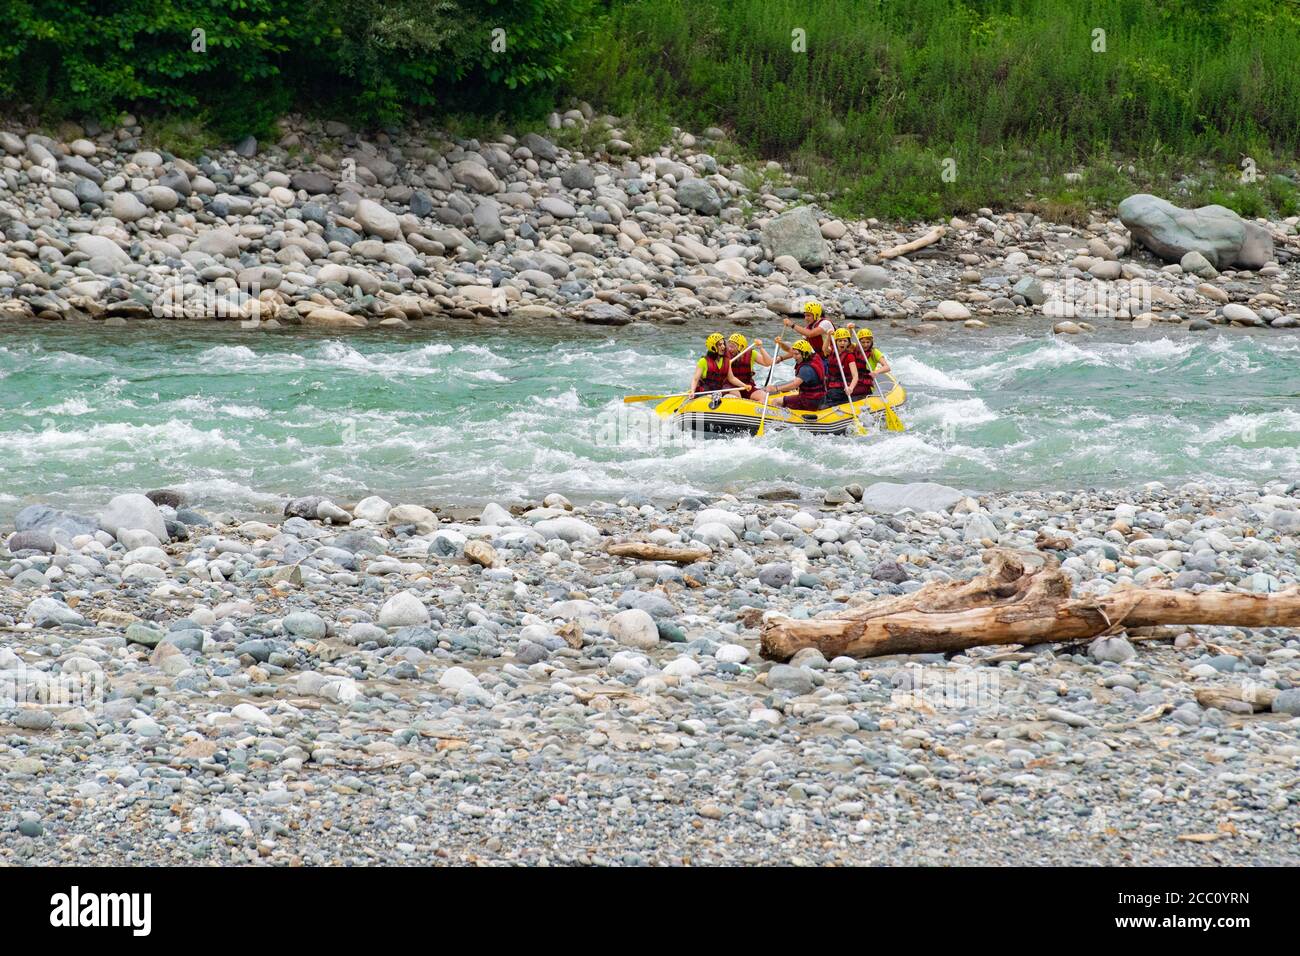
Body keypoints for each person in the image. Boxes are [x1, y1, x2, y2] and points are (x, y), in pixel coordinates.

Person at [765, 339, 826, 410]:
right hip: (820, 398)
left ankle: (775, 420)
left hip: (810, 401)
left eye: (796, 354)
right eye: (793, 354)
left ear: (805, 354)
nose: (793, 357)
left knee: (776, 401)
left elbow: (794, 385)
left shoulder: (806, 369)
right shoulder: (814, 355)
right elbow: (790, 349)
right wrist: (780, 344)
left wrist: (775, 388)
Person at [725, 332, 774, 401]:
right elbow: (731, 378)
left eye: (732, 346)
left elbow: (768, 363)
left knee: (763, 397)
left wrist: (761, 348)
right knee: (736, 396)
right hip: (730, 385)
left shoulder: (751, 354)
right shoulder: (724, 355)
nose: (729, 349)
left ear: (741, 347)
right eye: (728, 346)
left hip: (747, 386)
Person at [848, 326, 891, 402]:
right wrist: (850, 330)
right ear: (858, 342)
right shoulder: (854, 347)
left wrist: (876, 372)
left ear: (871, 342)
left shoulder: (875, 352)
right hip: (852, 382)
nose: (865, 345)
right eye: (863, 342)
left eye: (868, 342)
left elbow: (887, 367)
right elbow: (847, 342)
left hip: (866, 386)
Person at [823, 327, 860, 406]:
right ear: (836, 342)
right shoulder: (832, 351)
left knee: (830, 395)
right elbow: (824, 349)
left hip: (842, 386)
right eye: (840, 341)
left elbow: (855, 376)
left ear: (848, 343)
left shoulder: (849, 356)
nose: (842, 343)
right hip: (830, 383)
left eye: (845, 341)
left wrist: (850, 388)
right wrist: (829, 336)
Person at [688, 332, 731, 398]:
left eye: (723, 344)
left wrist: (744, 385)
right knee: (710, 397)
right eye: (720, 345)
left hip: (718, 391)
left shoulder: (726, 361)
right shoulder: (703, 361)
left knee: (732, 396)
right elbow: (695, 379)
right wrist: (692, 391)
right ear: (713, 347)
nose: (723, 346)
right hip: (705, 391)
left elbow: (731, 378)